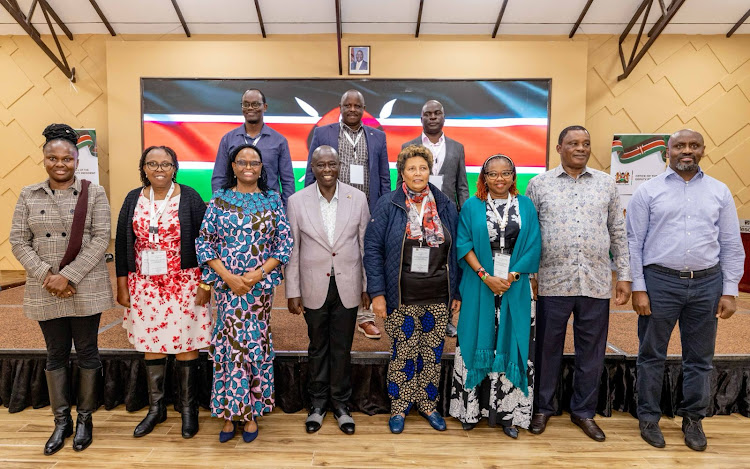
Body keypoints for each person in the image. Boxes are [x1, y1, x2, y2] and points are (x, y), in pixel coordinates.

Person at [626, 129, 745, 451]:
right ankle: (648, 417)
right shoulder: (647, 192)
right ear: (668, 151)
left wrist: (730, 290)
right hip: (659, 282)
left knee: (700, 359)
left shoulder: (719, 192)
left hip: (708, 283)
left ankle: (693, 418)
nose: (686, 151)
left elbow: (731, 244)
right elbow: (633, 243)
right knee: (651, 355)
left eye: (693, 145)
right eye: (680, 146)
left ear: (704, 151)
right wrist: (639, 287)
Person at [10, 123, 114, 455]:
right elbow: (17, 240)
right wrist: (47, 276)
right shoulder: (28, 194)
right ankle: (61, 422)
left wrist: (67, 276)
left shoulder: (93, 193)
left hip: (84, 287)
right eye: (52, 158)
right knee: (54, 354)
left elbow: (100, 239)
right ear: (43, 158)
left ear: (76, 159)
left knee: (86, 352)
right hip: (45, 288)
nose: (60, 164)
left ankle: (84, 420)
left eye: (66, 158)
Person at [525, 125, 631, 441]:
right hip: (551, 283)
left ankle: (584, 413)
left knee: (592, 353)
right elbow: (529, 235)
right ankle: (542, 407)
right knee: (546, 350)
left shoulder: (607, 184)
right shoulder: (538, 184)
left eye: (586, 143)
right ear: (559, 148)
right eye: (573, 143)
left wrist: (624, 275)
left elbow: (618, 231)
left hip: (595, 282)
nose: (581, 148)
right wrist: (530, 277)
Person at [197, 143, 293, 444]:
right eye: (242, 161)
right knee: (229, 348)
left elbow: (283, 244)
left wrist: (256, 275)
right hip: (227, 289)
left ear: (262, 167)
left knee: (253, 346)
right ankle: (228, 414)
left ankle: (249, 414)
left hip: (260, 290)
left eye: (255, 162)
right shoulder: (219, 200)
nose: (248, 166)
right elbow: (205, 244)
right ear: (233, 166)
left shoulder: (272, 199)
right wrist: (227, 277)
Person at [115, 145, 211, 439]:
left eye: (166, 164)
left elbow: (207, 240)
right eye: (153, 163)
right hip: (144, 283)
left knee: (185, 343)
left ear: (174, 168)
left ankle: (188, 409)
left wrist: (206, 283)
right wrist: (122, 285)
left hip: (185, 282)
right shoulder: (133, 198)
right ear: (143, 167)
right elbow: (122, 243)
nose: (159, 169)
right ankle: (156, 409)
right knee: (150, 343)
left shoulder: (191, 197)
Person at [363, 144, 461, 434]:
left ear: (430, 170)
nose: (418, 173)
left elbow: (456, 252)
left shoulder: (445, 204)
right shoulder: (387, 204)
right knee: (403, 353)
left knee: (431, 354)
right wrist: (378, 293)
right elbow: (372, 250)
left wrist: (456, 293)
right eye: (411, 168)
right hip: (400, 296)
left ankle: (428, 405)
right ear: (402, 173)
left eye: (422, 167)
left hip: (437, 296)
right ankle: (400, 406)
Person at [449, 154, 541, 438]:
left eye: (506, 173)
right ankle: (470, 411)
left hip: (516, 285)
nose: (499, 179)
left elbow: (534, 245)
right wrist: (486, 277)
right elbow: (463, 244)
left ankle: (508, 415)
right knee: (475, 338)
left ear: (514, 176)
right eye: (493, 173)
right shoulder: (472, 206)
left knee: (512, 344)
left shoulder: (525, 205)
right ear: (484, 177)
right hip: (480, 285)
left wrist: (511, 277)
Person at [286, 145, 370, 435]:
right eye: (320, 165)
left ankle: (342, 405)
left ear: (339, 166)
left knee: (342, 348)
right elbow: (293, 250)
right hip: (313, 286)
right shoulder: (297, 201)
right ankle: (318, 404)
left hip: (348, 284)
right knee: (317, 347)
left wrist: (367, 286)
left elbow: (364, 246)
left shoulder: (357, 198)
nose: (327, 170)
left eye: (332, 164)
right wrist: (292, 290)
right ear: (312, 168)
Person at [305, 89, 390, 340]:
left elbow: (384, 178)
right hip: (331, 209)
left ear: (364, 109)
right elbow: (313, 174)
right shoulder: (323, 133)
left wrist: (383, 210)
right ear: (340, 107)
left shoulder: (377, 137)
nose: (352, 109)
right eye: (347, 105)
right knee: (335, 260)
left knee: (367, 260)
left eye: (357, 105)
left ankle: (365, 317)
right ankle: (329, 305)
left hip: (366, 210)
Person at [400, 99, 470, 337]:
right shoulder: (408, 145)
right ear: (421, 119)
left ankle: (446, 318)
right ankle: (412, 313)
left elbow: (462, 186)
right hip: (415, 212)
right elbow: (401, 182)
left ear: (443, 117)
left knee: (444, 264)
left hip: (445, 215)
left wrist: (464, 215)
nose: (432, 117)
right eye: (427, 114)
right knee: (417, 264)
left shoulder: (457, 147)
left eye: (437, 113)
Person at [211, 89, 296, 206]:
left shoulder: (279, 141)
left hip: (269, 208)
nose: (250, 108)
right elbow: (219, 178)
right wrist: (220, 206)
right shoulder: (228, 139)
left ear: (265, 107)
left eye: (255, 104)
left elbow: (288, 182)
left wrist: (286, 211)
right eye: (246, 104)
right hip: (235, 208)